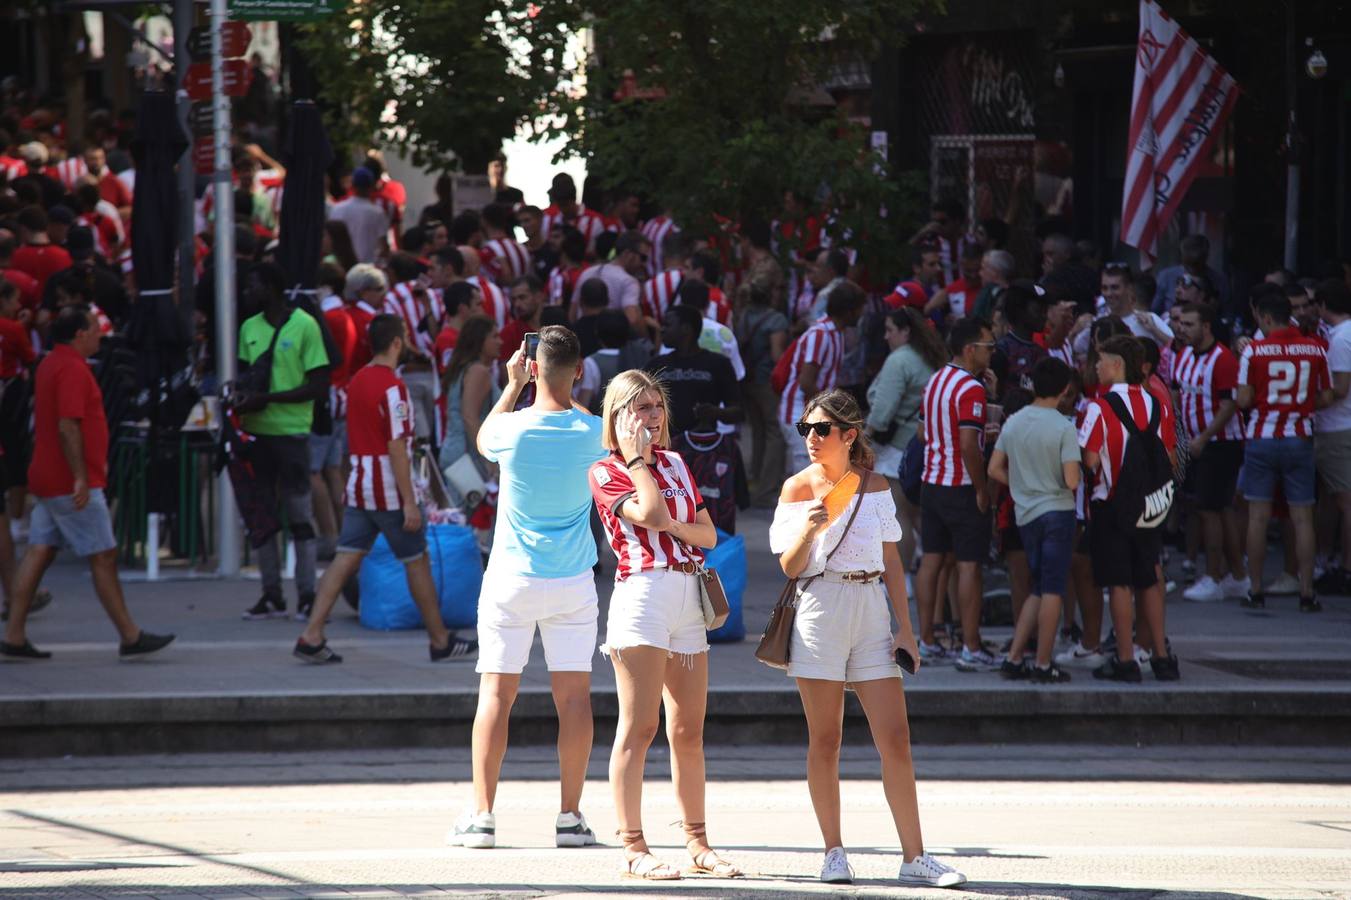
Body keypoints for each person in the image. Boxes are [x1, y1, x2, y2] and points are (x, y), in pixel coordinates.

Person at [770, 389, 965, 888]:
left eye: (822, 429)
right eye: (806, 429)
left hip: (871, 607)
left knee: (895, 738)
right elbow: (789, 568)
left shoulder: (875, 485)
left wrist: (907, 628)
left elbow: (893, 561)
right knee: (826, 739)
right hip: (820, 607)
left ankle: (914, 855)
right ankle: (834, 851)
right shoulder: (796, 488)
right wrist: (809, 530)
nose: (812, 438)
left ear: (848, 435)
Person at [448, 326, 607, 851]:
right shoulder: (594, 432)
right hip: (572, 581)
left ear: (532, 366)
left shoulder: (510, 429)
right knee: (575, 699)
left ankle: (482, 817)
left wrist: (513, 385)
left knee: (495, 695)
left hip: (511, 578)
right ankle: (570, 816)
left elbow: (481, 439)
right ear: (580, 370)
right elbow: (595, 431)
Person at [586, 370, 741, 881]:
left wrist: (674, 525)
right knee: (640, 726)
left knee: (687, 729)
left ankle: (698, 842)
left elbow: (709, 534)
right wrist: (636, 460)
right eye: (638, 407)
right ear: (616, 415)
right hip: (643, 595)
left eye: (656, 407)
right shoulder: (608, 471)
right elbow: (649, 512)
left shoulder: (675, 461)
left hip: (686, 594)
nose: (650, 416)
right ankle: (633, 846)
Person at [293, 315, 476, 664]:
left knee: (346, 556)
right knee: (416, 559)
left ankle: (312, 633)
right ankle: (439, 640)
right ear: (395, 343)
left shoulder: (359, 379)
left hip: (360, 483)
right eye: (404, 337)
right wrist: (410, 502)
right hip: (388, 490)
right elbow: (396, 447)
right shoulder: (394, 388)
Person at [1, 306, 174, 660]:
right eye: (95, 329)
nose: (100, 334)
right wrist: (81, 475)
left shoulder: (51, 363)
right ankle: (130, 634)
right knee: (104, 555)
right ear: (80, 334)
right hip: (70, 481)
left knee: (40, 550)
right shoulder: (72, 369)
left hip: (49, 476)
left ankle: (14, 635)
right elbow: (68, 425)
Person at [233, 262, 331, 622]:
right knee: (263, 519)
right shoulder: (248, 328)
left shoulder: (304, 325)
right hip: (257, 435)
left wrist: (269, 400)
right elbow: (247, 377)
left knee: (300, 517)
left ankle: (307, 595)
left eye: (252, 285)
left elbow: (319, 385)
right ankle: (271, 594)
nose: (246, 293)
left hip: (291, 434)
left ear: (272, 287)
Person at [1079, 335, 1181, 681]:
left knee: (1119, 583)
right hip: (1150, 505)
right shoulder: (1157, 404)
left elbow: (1091, 460)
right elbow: (1168, 455)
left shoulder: (1100, 406)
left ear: (1117, 364)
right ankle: (1162, 657)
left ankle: (1125, 659)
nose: (1096, 366)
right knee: (1149, 578)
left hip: (1112, 506)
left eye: (1101, 359)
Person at [1236, 290, 1332, 613]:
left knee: (1258, 517)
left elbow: (1244, 399)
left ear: (1265, 318)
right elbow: (1327, 394)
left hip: (1261, 437)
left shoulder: (1254, 351)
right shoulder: (1315, 348)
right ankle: (1307, 592)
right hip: (1300, 436)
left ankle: (1256, 588)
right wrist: (1301, 405)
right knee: (1303, 518)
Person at [989, 358, 1081, 682]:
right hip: (1057, 511)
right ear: (1065, 389)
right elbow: (1071, 480)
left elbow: (994, 468)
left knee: (1038, 588)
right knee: (1052, 588)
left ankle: (1016, 656)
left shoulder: (1014, 422)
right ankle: (1043, 663)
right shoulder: (1063, 426)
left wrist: (1020, 484)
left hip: (1025, 513)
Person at [916, 317, 996, 670]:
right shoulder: (971, 389)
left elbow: (922, 434)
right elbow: (967, 444)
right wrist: (982, 489)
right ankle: (972, 647)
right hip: (961, 486)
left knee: (932, 561)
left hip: (931, 483)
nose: (991, 353)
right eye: (988, 347)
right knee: (968, 567)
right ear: (970, 349)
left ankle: (927, 641)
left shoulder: (935, 381)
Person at [1172, 302, 1248, 602]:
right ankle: (1238, 576)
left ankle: (1214, 576)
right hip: (1195, 441)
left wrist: (1203, 437)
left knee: (1208, 510)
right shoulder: (1184, 356)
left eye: (1189, 324)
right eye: (1181, 324)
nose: (1182, 329)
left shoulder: (1224, 359)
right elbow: (1178, 395)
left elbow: (1230, 405)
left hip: (1219, 444)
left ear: (1206, 327)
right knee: (1219, 509)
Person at [865, 307, 947, 568]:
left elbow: (882, 412)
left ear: (905, 331)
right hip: (924, 445)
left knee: (897, 515)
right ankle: (941, 571)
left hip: (898, 449)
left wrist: (864, 436)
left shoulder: (899, 360)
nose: (885, 337)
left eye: (890, 330)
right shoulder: (929, 357)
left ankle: (903, 582)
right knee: (916, 514)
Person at [778, 283, 866, 474]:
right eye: (859, 309)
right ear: (849, 311)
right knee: (808, 478)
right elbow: (806, 382)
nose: (862, 314)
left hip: (810, 415)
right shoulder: (821, 334)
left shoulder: (835, 333)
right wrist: (833, 411)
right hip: (799, 415)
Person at [736, 276, 791, 506]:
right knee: (773, 431)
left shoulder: (744, 316)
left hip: (747, 379)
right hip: (766, 380)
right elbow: (778, 355)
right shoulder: (776, 320)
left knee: (758, 430)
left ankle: (755, 479)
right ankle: (767, 489)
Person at [1314, 279, 1351, 594]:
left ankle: (1346, 568)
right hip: (1340, 426)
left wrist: (1303, 404)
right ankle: (1327, 561)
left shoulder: (1340, 340)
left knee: (1345, 502)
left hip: (1338, 427)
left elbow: (1339, 389)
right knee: (1332, 499)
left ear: (1324, 306)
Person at [438, 316, 503, 485]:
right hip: (468, 459)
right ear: (480, 341)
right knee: (471, 512)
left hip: (458, 454)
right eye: (494, 336)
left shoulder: (465, 369)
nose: (500, 342)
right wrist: (488, 459)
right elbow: (469, 418)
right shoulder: (478, 372)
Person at [571, 229, 648, 331]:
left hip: (583, 337)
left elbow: (572, 312)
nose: (644, 264)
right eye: (643, 258)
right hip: (611, 340)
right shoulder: (629, 281)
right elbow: (632, 319)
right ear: (628, 254)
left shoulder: (586, 273)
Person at [1153, 233, 1230, 316]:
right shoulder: (1166, 276)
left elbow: (1227, 316)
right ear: (1182, 257)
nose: (1192, 268)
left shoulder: (1219, 281)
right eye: (1188, 263)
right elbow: (1154, 311)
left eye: (1196, 264)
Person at [328, 167, 390, 264]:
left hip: (341, 266)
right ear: (371, 186)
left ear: (353, 185)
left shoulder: (338, 209)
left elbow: (329, 241)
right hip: (367, 268)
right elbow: (384, 247)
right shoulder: (378, 213)